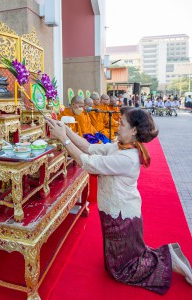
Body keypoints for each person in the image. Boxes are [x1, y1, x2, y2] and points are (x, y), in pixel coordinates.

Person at [46, 107, 192, 294]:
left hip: (123, 217)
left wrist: (63, 139)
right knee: (116, 264)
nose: (117, 125)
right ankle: (168, 256)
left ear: (134, 131)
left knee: (122, 271)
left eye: (122, 123)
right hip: (113, 211)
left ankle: (170, 260)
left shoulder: (128, 158)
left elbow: (88, 163)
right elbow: (88, 147)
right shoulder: (120, 146)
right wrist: (65, 130)